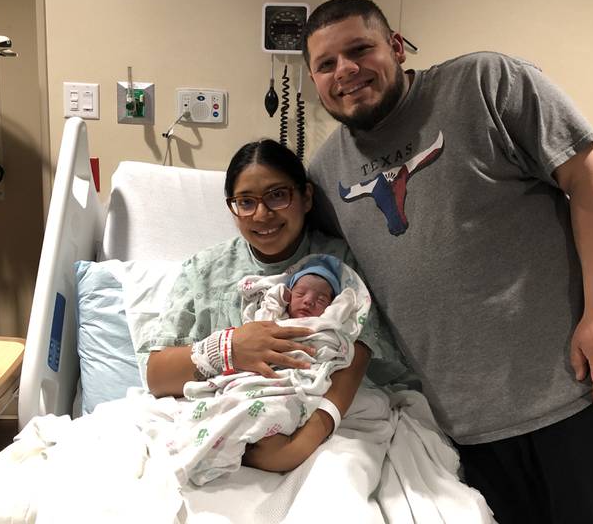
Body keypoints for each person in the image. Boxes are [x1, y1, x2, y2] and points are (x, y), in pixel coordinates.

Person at [301, 0, 593, 523]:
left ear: (397, 48)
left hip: (581, 392)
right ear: (314, 79)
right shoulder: (326, 175)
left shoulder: (484, 83)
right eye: (326, 64)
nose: (346, 71)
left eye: (360, 49)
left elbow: (590, 175)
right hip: (469, 434)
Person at [138, 138, 405, 474]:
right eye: (245, 202)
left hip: (320, 424)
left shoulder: (339, 262)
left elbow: (357, 352)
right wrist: (229, 348)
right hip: (227, 424)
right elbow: (157, 376)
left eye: (278, 195)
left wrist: (300, 445)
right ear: (232, 207)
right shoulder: (203, 272)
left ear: (306, 197)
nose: (262, 214)